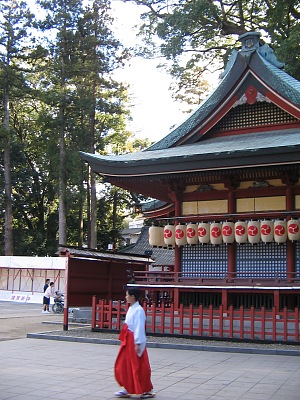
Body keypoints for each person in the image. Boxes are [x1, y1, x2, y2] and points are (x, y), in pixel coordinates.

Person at [114, 287, 155, 399]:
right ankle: (127, 387)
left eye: (127, 295)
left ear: (133, 296)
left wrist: (137, 343)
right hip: (128, 339)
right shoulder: (133, 308)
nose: (125, 297)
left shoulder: (139, 310)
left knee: (138, 366)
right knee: (124, 363)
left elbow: (139, 327)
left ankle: (146, 389)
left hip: (134, 339)